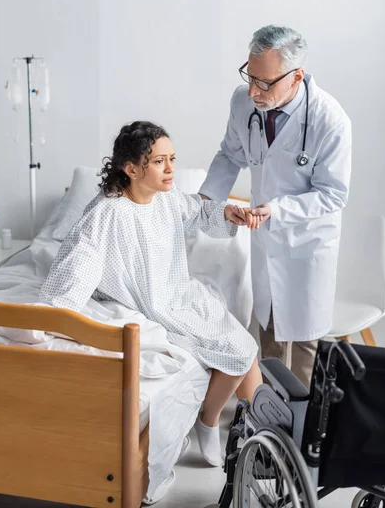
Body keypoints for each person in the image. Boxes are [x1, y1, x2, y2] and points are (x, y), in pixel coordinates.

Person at [40, 120, 262, 467]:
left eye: (172, 158)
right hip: (152, 303)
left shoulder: (167, 198)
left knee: (249, 356)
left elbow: (198, 211)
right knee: (241, 351)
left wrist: (228, 212)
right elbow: (79, 260)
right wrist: (55, 313)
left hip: (181, 292)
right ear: (131, 169)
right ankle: (210, 421)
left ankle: (265, 448)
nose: (170, 168)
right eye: (159, 161)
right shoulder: (106, 213)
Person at [199, 25, 352, 388]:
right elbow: (230, 155)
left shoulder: (329, 120)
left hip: (307, 243)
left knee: (302, 350)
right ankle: (267, 430)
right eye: (250, 77)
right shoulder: (243, 103)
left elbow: (333, 194)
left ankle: (297, 436)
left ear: (296, 76)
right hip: (265, 239)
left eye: (264, 83)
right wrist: (207, 202)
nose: (253, 90)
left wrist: (277, 210)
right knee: (267, 336)